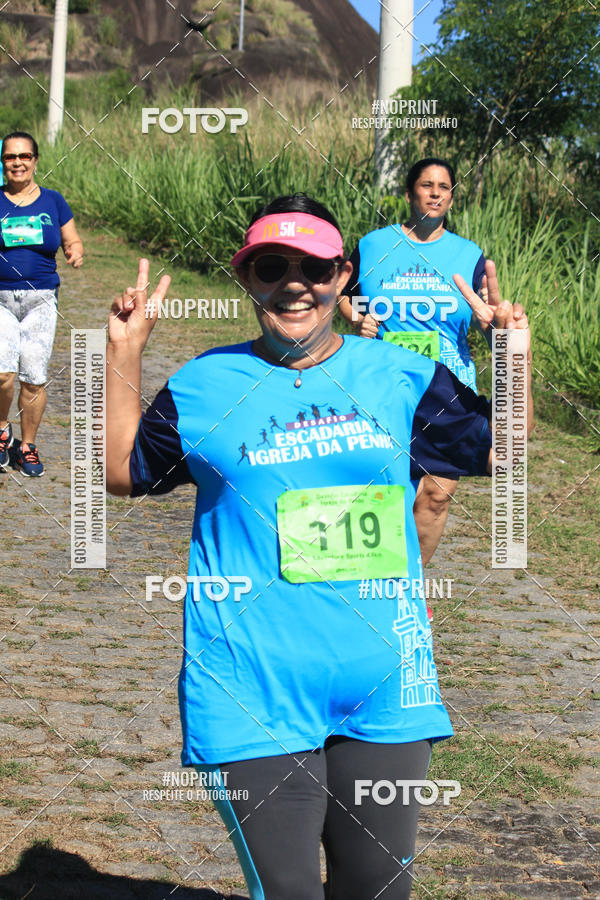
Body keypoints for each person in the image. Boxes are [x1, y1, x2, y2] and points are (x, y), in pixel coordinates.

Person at [106, 194, 532, 899]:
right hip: (250, 684)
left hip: (384, 681)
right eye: (273, 267)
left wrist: (508, 352)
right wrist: (123, 352)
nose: (295, 282)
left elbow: (506, 452)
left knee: (378, 890)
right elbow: (123, 473)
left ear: (343, 279)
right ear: (248, 280)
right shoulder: (205, 385)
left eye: (316, 267)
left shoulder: (399, 376)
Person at [338, 158, 508, 569]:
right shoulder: (374, 245)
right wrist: (359, 320)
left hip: (449, 389)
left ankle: (407, 589)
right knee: (384, 493)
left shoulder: (468, 255)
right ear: (409, 191)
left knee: (434, 496)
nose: (435, 193)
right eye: (426, 185)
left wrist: (496, 328)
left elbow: (488, 323)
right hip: (383, 385)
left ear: (452, 195)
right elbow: (344, 294)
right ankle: (365, 586)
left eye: (444, 186)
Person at [0, 131, 84, 477]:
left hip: (41, 301)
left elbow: (72, 237)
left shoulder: (53, 200)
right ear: (2, 162)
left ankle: (28, 446)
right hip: (1, 299)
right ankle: (2, 431)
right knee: (2, 374)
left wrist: (74, 249)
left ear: (35, 160)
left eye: (24, 156)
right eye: (9, 157)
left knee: (33, 378)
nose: (17, 163)